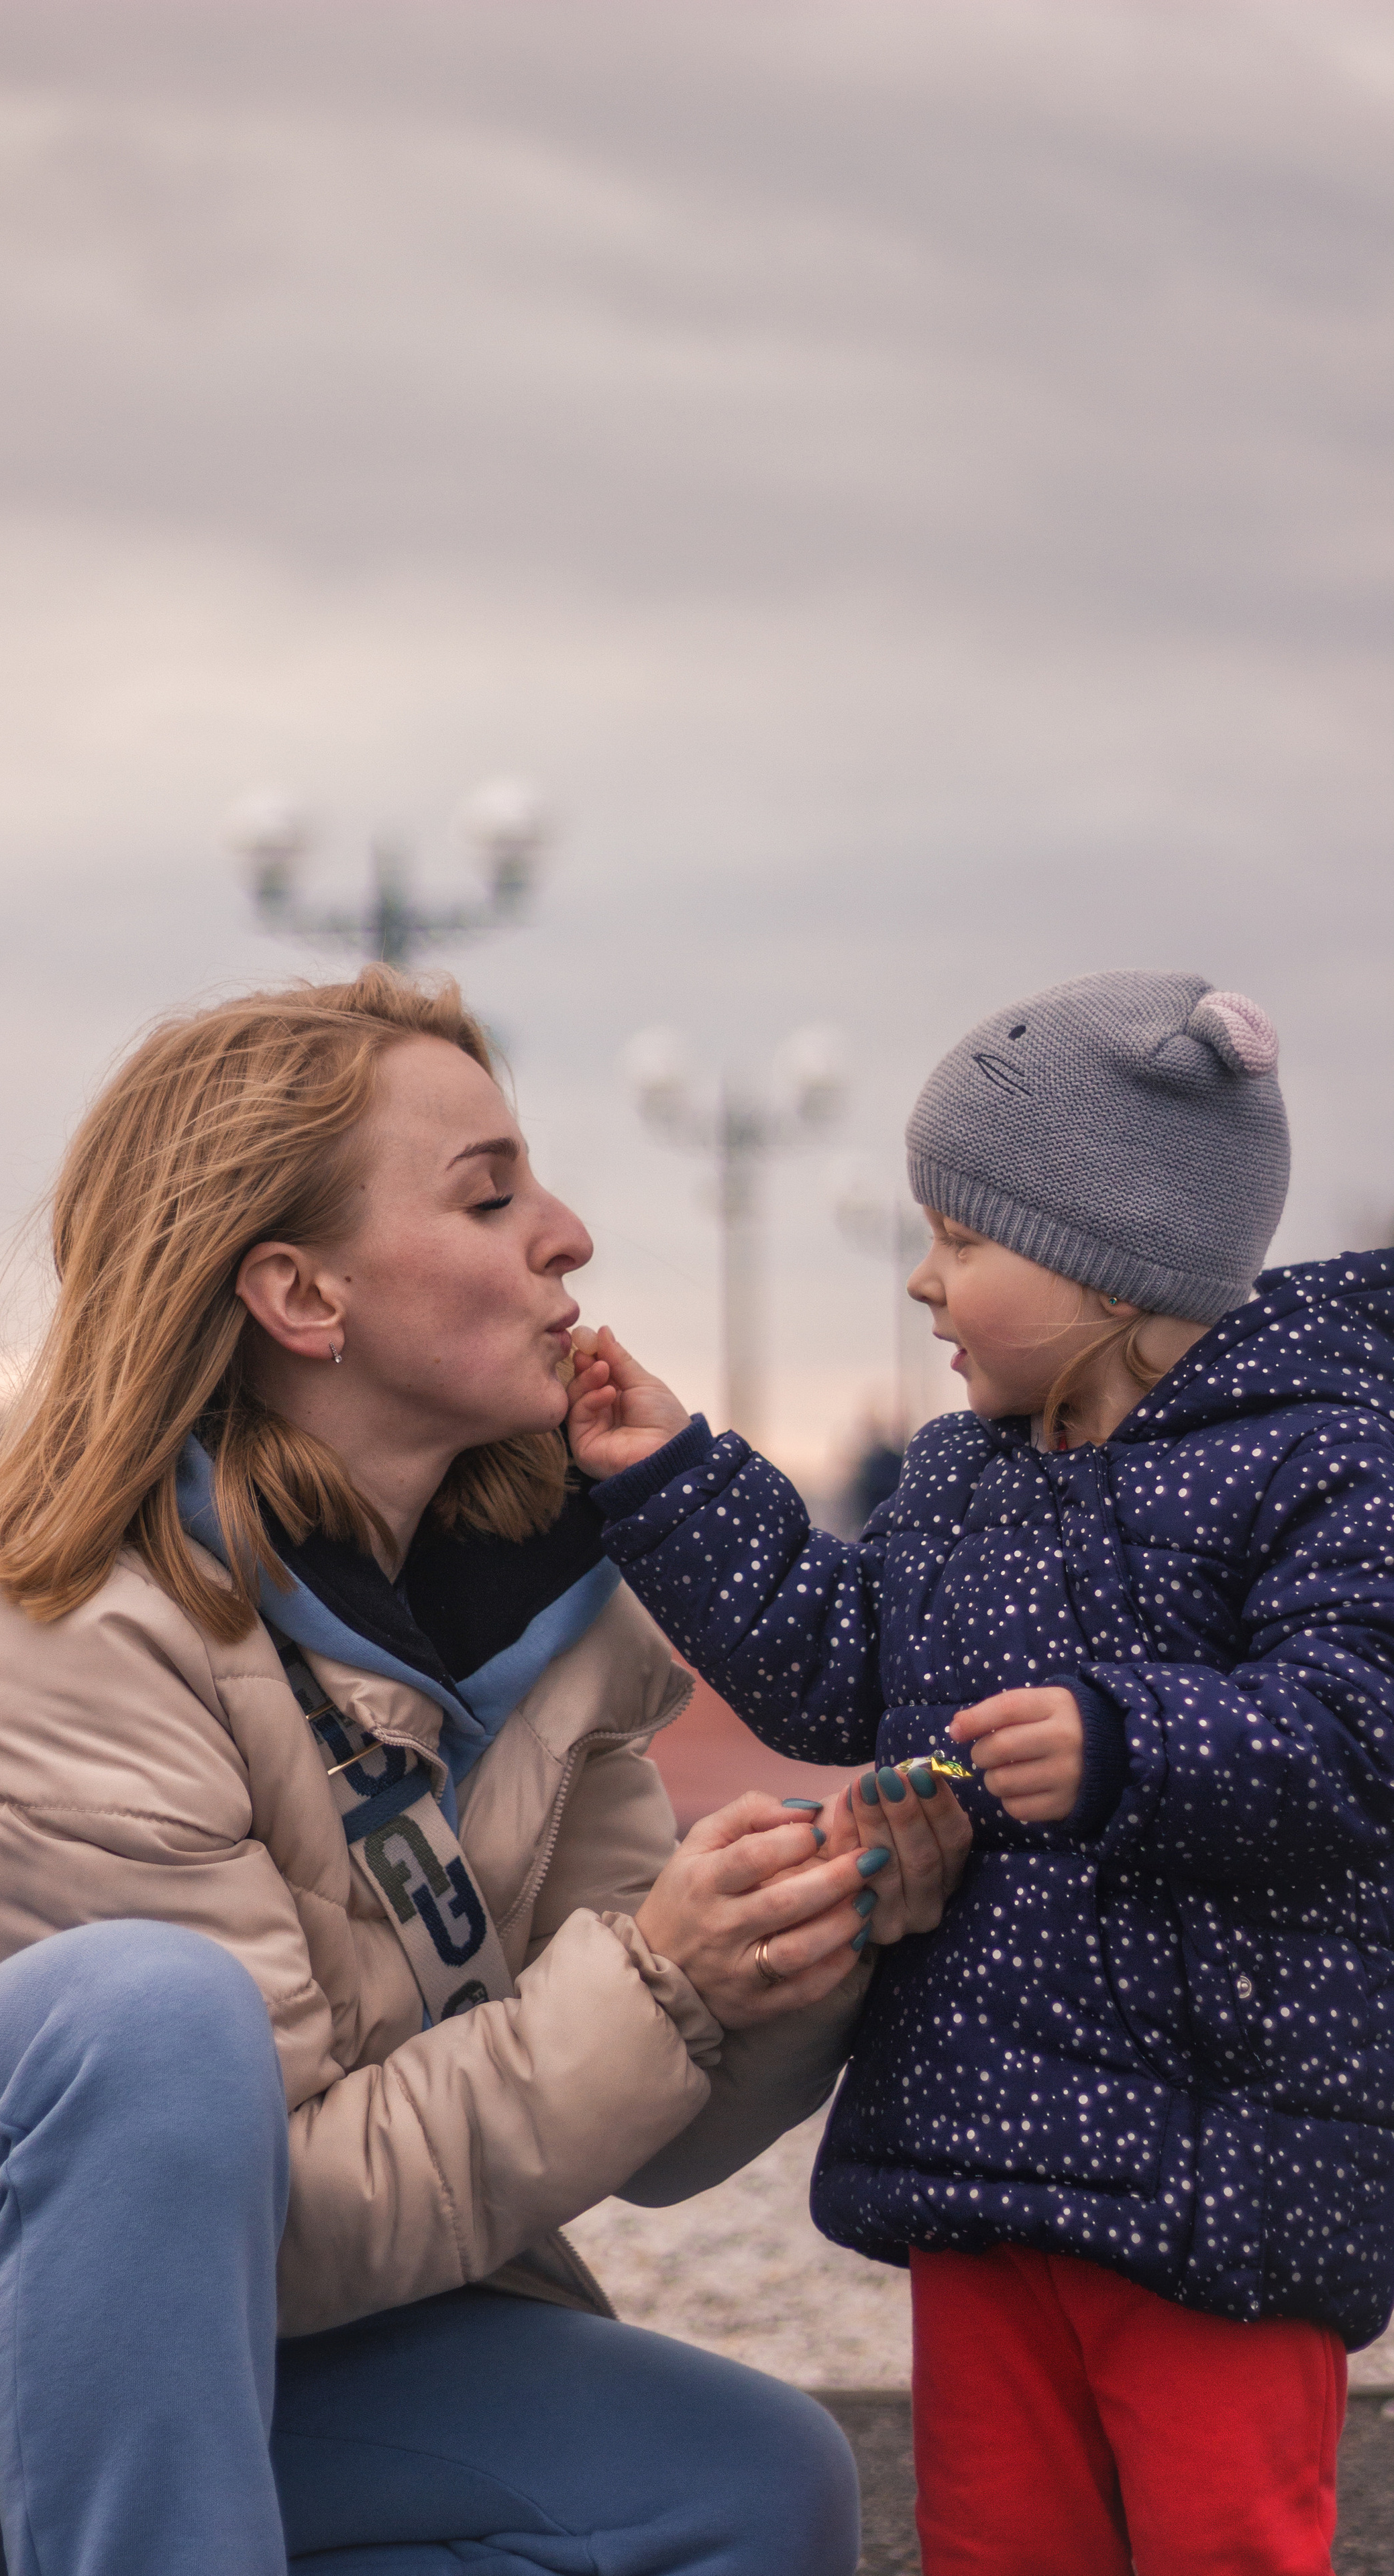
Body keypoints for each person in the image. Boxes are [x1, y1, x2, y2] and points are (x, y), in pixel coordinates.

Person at [0, 969, 969, 2576]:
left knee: (750, 2484)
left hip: (228, 2348)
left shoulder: (560, 1611)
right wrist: (652, 1982)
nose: (565, 1234)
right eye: (490, 1196)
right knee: (146, 2016)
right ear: (300, 1299)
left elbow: (651, 2122)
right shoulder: (64, 1628)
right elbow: (251, 2216)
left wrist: (785, 1949)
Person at [566, 970, 1394, 2576]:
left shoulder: (1322, 1457)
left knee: (1220, 2538)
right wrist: (665, 1476)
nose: (923, 1285)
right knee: (994, 2541)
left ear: (1107, 1262)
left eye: (961, 1239)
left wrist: (1126, 1740)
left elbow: (1354, 1732)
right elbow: (831, 1659)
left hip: (1210, 2179)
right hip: (982, 2155)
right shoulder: (962, 1479)